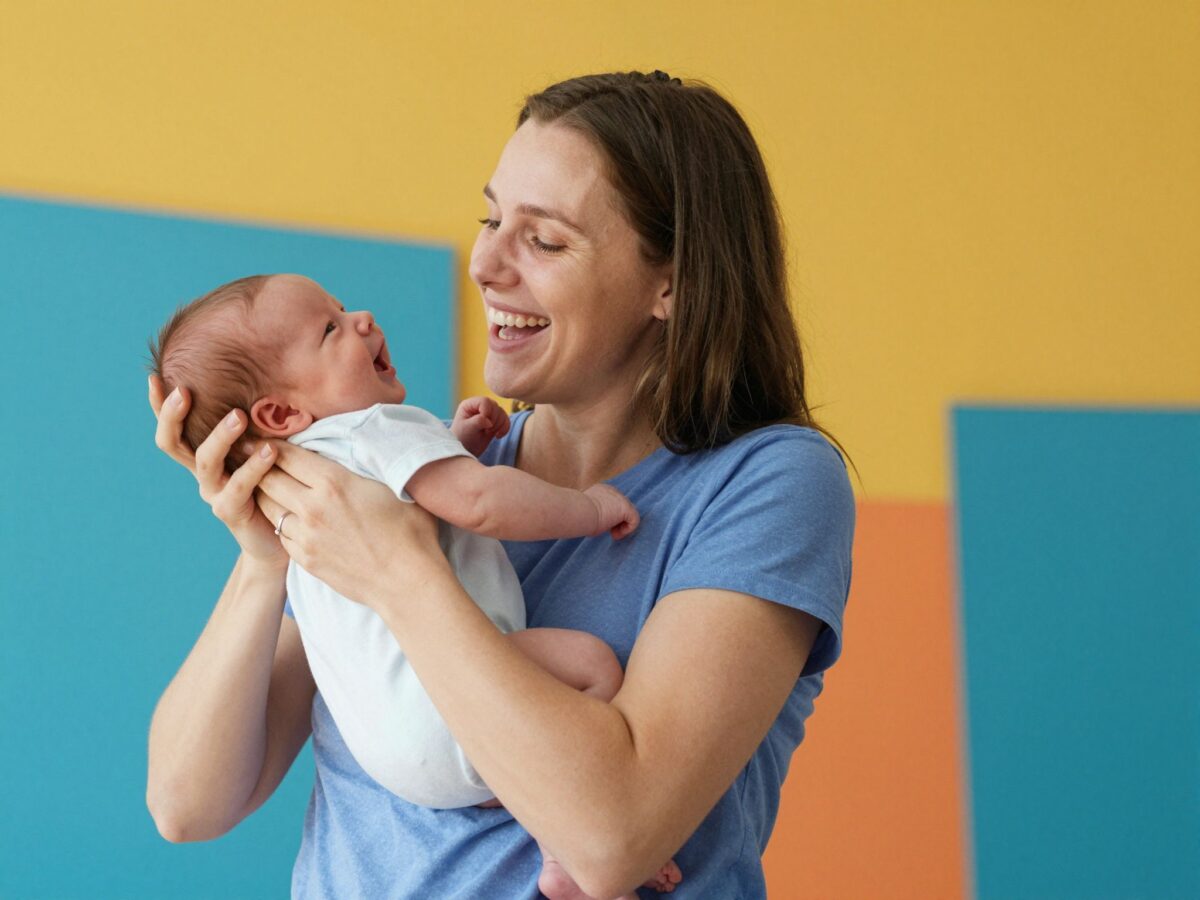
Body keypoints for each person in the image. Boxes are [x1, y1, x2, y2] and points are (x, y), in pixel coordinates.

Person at [146, 70, 855, 899]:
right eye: (491, 221)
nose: (485, 265)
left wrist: (401, 572)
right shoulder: (409, 479)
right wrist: (265, 558)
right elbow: (187, 805)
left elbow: (611, 841)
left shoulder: (768, 485)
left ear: (673, 282)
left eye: (544, 241)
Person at [148, 272, 680, 898]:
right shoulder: (368, 443)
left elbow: (421, 500)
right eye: (331, 329)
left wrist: (453, 446)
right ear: (282, 414)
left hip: (396, 757)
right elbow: (474, 501)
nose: (363, 318)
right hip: (446, 725)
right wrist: (590, 509)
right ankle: (556, 840)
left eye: (548, 242)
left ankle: (549, 825)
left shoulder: (318, 506)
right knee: (591, 666)